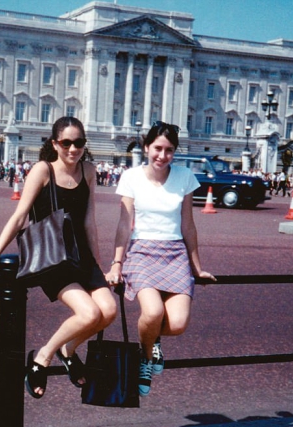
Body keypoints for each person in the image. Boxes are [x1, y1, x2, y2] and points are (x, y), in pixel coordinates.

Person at [0, 117, 116, 399]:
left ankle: (67, 350)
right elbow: (19, 217)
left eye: (79, 143)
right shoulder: (42, 170)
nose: (73, 149)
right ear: (54, 143)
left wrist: (99, 264)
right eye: (66, 143)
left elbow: (89, 221)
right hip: (53, 257)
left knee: (108, 311)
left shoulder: (88, 170)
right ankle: (42, 359)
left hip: (81, 255)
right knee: (90, 314)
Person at [106, 121, 216, 397]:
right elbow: (124, 224)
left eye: (169, 150)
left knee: (178, 324)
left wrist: (197, 268)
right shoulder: (131, 177)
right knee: (153, 312)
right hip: (142, 251)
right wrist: (117, 263)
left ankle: (152, 338)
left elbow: (188, 224)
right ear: (146, 147)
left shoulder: (185, 177)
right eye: (157, 148)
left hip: (175, 253)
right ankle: (145, 357)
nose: (162, 155)